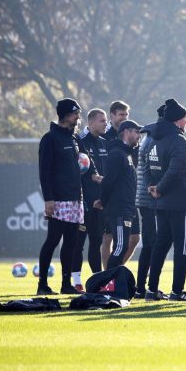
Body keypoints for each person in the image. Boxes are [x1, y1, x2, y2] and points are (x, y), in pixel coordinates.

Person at [146, 98, 186, 301]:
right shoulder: (179, 140)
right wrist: (159, 188)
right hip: (181, 203)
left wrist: (154, 188)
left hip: (162, 203)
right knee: (182, 248)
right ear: (179, 120)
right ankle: (177, 292)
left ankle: (152, 290)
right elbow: (176, 169)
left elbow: (149, 166)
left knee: (160, 246)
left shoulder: (154, 139)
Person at [36, 98, 88, 295]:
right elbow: (44, 172)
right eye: (75, 113)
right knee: (53, 240)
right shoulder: (50, 139)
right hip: (58, 199)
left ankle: (66, 284)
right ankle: (42, 284)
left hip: (76, 198)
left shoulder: (74, 139)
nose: (78, 117)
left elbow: (82, 164)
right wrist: (48, 199)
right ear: (66, 115)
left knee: (72, 243)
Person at [99, 120, 141, 269]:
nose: (139, 136)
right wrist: (103, 201)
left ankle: (113, 279)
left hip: (127, 208)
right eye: (136, 132)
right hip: (119, 209)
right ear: (127, 132)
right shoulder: (117, 154)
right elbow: (108, 181)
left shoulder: (127, 154)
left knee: (122, 245)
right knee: (120, 246)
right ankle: (106, 282)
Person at [75, 108, 109, 289]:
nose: (106, 124)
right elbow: (81, 177)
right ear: (91, 123)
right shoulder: (80, 142)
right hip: (85, 203)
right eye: (102, 121)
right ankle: (76, 281)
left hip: (101, 203)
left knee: (96, 241)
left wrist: (103, 198)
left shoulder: (105, 143)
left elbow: (105, 175)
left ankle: (97, 281)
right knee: (78, 242)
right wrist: (88, 200)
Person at [134, 104, 164, 297]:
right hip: (149, 198)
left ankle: (142, 287)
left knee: (150, 244)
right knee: (151, 244)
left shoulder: (149, 136)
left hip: (145, 198)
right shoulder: (155, 137)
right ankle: (143, 287)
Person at [101, 100, 130, 263]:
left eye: (126, 115)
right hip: (111, 195)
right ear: (112, 115)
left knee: (133, 239)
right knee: (108, 238)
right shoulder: (105, 137)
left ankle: (115, 270)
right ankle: (107, 277)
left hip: (128, 196)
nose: (124, 118)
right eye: (121, 115)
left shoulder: (132, 135)